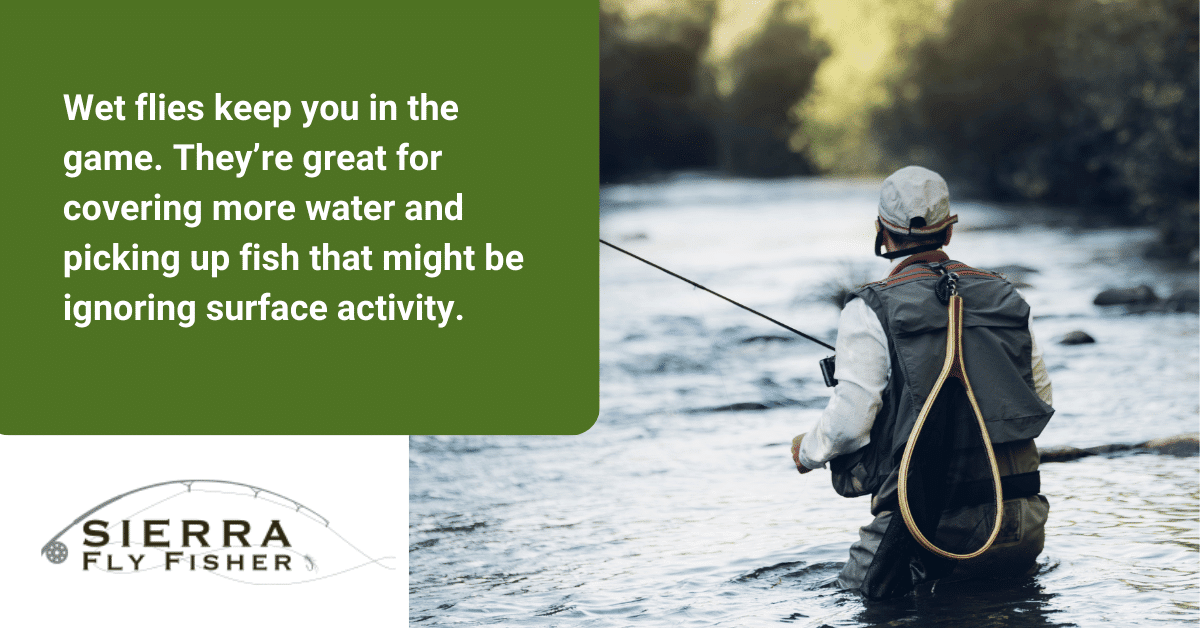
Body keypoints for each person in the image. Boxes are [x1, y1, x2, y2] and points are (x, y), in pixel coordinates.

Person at [790, 166, 1055, 599]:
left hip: (930, 530)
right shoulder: (1007, 296)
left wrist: (807, 452)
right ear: (949, 231)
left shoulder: (870, 308)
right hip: (1024, 525)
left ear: (881, 232)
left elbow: (849, 424)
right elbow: (1040, 397)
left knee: (852, 603)